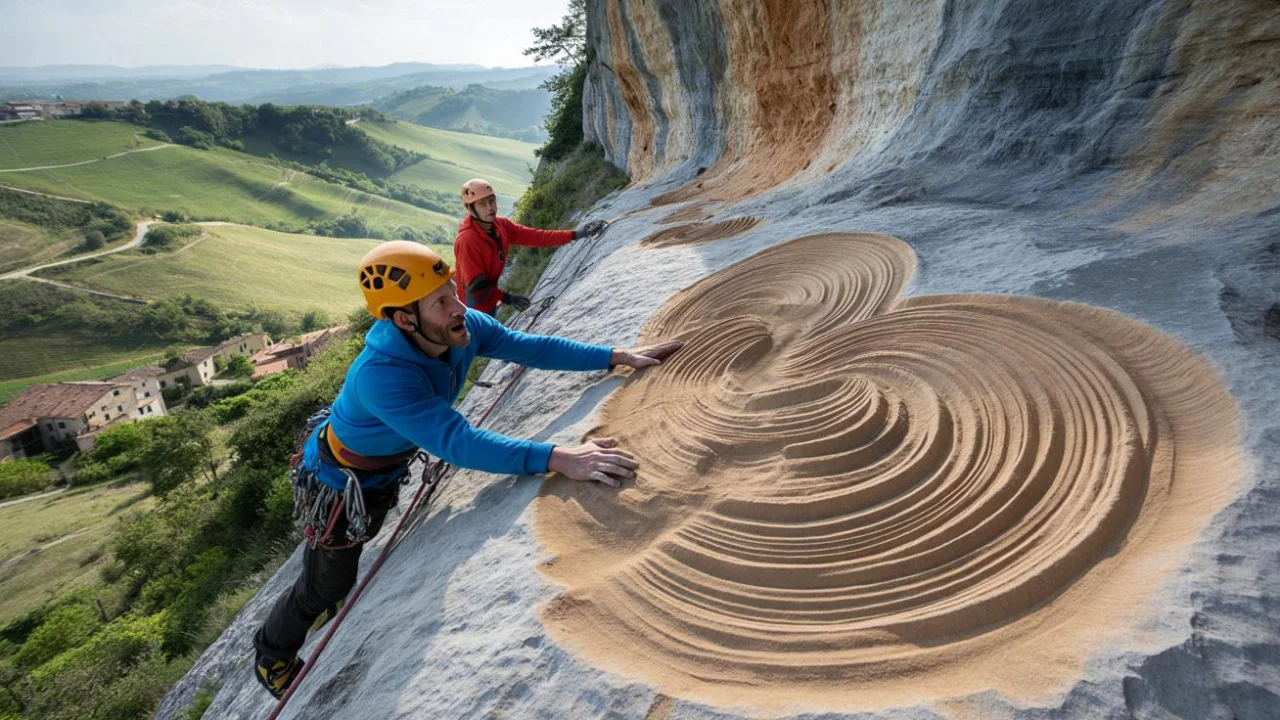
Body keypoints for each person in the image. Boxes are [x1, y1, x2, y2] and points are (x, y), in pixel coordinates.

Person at [252, 240, 681, 699]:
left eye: (453, 290)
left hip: (380, 468)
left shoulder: (459, 326)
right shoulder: (381, 375)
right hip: (340, 484)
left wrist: (615, 355)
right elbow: (457, 443)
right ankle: (271, 655)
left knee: (339, 574)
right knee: (327, 585)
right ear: (404, 319)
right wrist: (560, 458)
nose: (459, 307)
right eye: (441, 301)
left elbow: (528, 347)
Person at [454, 178, 607, 315]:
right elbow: (478, 288)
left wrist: (577, 234)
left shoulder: (500, 225)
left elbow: (537, 236)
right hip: (472, 302)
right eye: (482, 204)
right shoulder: (467, 240)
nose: (490, 208)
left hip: (489, 294)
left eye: (492, 201)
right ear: (470, 209)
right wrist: (508, 298)